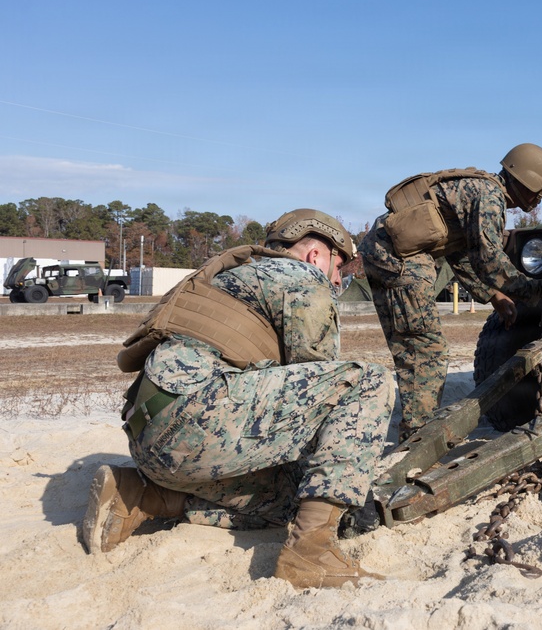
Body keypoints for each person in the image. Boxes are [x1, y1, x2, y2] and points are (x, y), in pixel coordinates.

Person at [82, 209, 395, 589]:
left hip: (149, 439)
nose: (335, 281)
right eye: (339, 272)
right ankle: (311, 554)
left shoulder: (223, 277)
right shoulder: (302, 277)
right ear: (318, 256)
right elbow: (324, 388)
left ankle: (144, 497)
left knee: (291, 500)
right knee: (368, 381)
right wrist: (350, 484)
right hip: (198, 419)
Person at [359, 144, 542, 438]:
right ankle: (417, 437)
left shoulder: (482, 190)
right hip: (398, 259)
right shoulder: (489, 197)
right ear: (529, 182)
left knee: (415, 346)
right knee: (425, 349)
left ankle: (415, 428)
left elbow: (460, 252)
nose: (541, 199)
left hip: (388, 253)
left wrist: (492, 295)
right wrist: (538, 291)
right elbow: (489, 260)